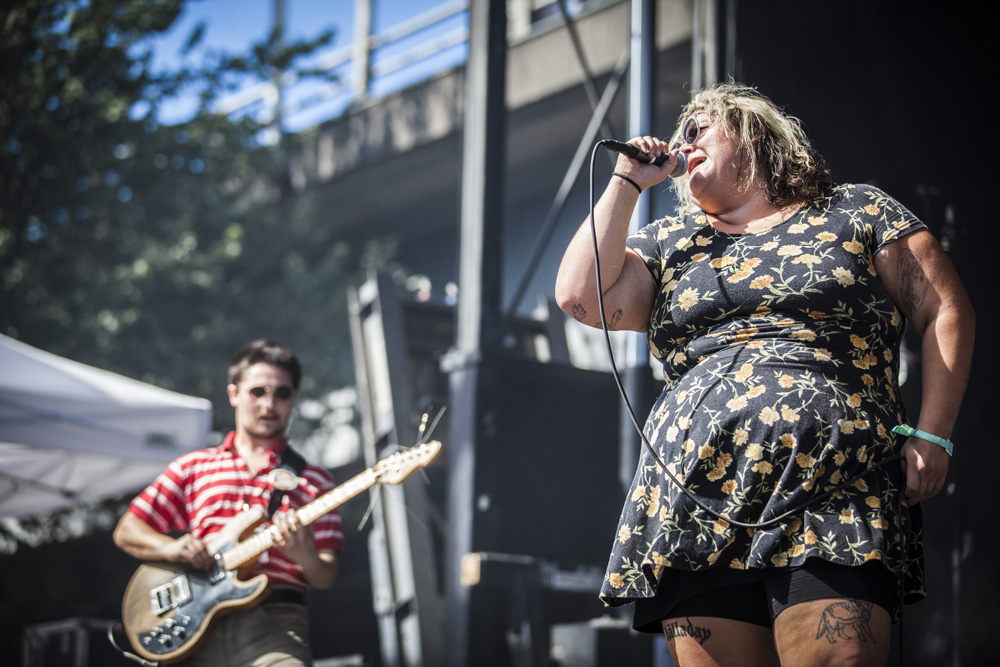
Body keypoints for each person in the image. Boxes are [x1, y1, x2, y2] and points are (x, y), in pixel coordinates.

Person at [554, 82, 974, 666]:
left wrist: (932, 434)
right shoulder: (672, 242)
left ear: (752, 133)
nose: (683, 142)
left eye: (698, 128)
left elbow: (944, 308)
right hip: (698, 487)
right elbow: (580, 297)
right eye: (680, 136)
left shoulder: (854, 209)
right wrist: (627, 180)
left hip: (833, 471)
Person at [113, 339, 343, 666]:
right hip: (191, 626)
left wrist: (305, 555)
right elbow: (128, 531)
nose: (269, 403)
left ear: (293, 399)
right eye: (258, 391)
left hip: (275, 626)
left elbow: (325, 576)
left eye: (282, 393)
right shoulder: (192, 467)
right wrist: (170, 549)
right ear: (234, 393)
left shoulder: (316, 479)